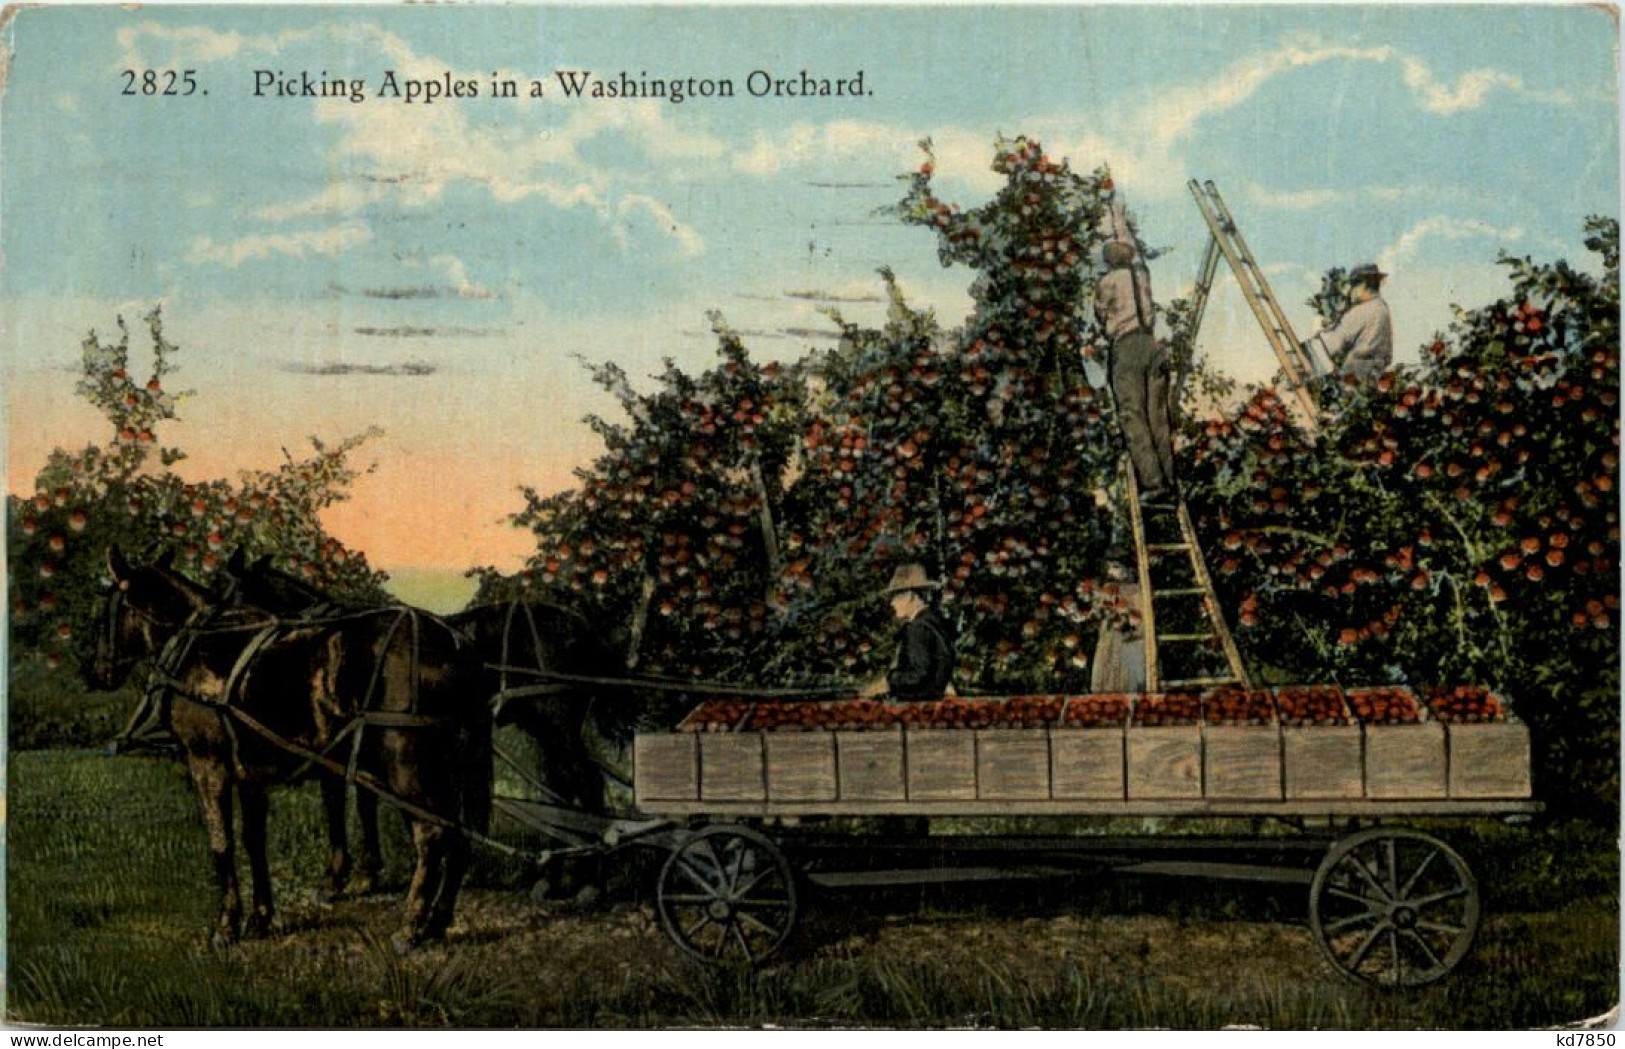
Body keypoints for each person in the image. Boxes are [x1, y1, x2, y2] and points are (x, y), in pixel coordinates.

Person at [1097, 239, 1176, 501]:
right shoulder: (1141, 276)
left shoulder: (1107, 282)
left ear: (1109, 261)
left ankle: (1154, 484)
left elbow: (1100, 313)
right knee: (1158, 417)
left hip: (1127, 346)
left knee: (1132, 414)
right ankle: (1169, 480)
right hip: (1152, 344)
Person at [865, 562, 955, 701]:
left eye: (896, 597)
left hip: (918, 704)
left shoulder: (918, 628)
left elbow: (918, 675)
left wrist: (888, 681)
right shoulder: (933, 620)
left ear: (909, 596)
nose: (892, 604)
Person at [1305, 263, 1393, 385]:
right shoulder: (1382, 307)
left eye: (1352, 285)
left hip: (1353, 379)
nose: (1349, 291)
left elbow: (1333, 343)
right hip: (1372, 377)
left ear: (1363, 285)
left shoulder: (1363, 310)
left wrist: (1305, 348)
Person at [1090, 550, 1146, 694]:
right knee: (1108, 662)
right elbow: (1102, 608)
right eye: (1111, 567)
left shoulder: (1136, 589)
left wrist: (1123, 608)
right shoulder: (1108, 589)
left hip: (1132, 631)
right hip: (1112, 633)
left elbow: (1138, 611)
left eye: (1116, 566)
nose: (1112, 570)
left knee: (1129, 665)